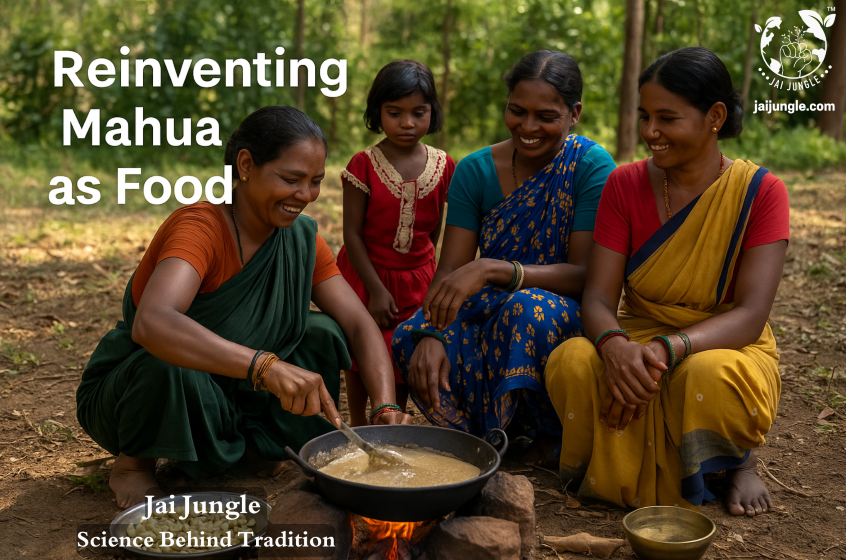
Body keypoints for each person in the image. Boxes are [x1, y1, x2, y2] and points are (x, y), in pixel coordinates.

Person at [76, 106, 412, 509]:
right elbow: (152, 323)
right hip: (145, 390)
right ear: (246, 165)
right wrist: (265, 367)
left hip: (232, 392)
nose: (305, 196)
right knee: (165, 362)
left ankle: (256, 447)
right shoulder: (201, 227)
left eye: (315, 182)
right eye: (291, 179)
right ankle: (134, 464)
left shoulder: (300, 237)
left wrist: (386, 407)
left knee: (322, 331)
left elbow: (358, 323)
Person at [544, 47, 789, 517]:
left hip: (723, 343)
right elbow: (597, 296)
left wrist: (666, 349)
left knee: (707, 376)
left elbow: (751, 315)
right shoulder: (624, 184)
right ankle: (611, 468)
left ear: (715, 116)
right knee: (573, 359)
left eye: (667, 118)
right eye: (645, 116)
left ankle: (735, 462)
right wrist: (615, 346)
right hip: (636, 335)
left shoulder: (761, 192)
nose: (650, 132)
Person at [391, 50, 616, 446]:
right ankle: (480, 435)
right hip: (489, 304)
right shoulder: (476, 170)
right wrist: (431, 331)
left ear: (574, 113)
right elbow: (450, 270)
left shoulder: (590, 166)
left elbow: (585, 275)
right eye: (517, 111)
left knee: (524, 308)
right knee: (410, 336)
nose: (528, 126)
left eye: (546, 117)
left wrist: (496, 269)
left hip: (562, 309)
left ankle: (539, 429)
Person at [336, 60, 455, 426]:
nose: (407, 123)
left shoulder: (444, 165)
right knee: (359, 352)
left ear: (432, 113)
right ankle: (357, 421)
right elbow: (352, 233)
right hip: (365, 273)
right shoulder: (364, 164)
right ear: (378, 113)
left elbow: (433, 230)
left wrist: (426, 267)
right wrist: (374, 289)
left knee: (401, 350)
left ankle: (389, 421)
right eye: (395, 113)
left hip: (417, 278)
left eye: (418, 113)